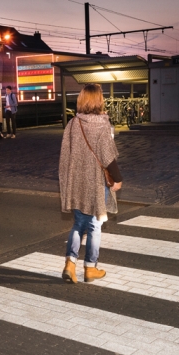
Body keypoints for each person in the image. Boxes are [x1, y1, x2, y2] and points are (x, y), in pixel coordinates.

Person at [58, 83, 123, 284]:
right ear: (98, 100)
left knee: (78, 224)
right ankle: (90, 268)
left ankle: (70, 263)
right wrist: (118, 179)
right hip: (95, 184)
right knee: (94, 225)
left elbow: (65, 156)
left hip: (76, 183)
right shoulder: (102, 125)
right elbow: (108, 157)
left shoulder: (72, 124)